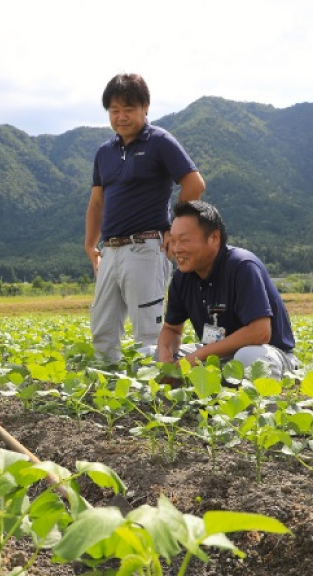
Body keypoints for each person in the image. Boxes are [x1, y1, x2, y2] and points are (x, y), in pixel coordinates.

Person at [85, 73, 205, 365]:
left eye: (129, 109)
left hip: (145, 247)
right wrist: (90, 245)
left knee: (148, 335)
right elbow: (97, 201)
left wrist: (174, 232)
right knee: (102, 330)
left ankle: (153, 399)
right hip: (110, 250)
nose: (121, 117)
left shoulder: (160, 142)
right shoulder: (105, 152)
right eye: (114, 111)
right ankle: (109, 397)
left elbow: (194, 184)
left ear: (145, 107)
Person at [148, 200, 297, 378]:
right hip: (215, 355)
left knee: (249, 357)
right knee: (148, 354)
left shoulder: (242, 266)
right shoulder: (182, 276)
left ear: (214, 238)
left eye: (184, 240)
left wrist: (196, 357)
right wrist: (165, 354)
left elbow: (260, 332)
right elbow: (172, 329)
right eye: (173, 241)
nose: (176, 249)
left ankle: (256, 400)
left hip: (267, 353)